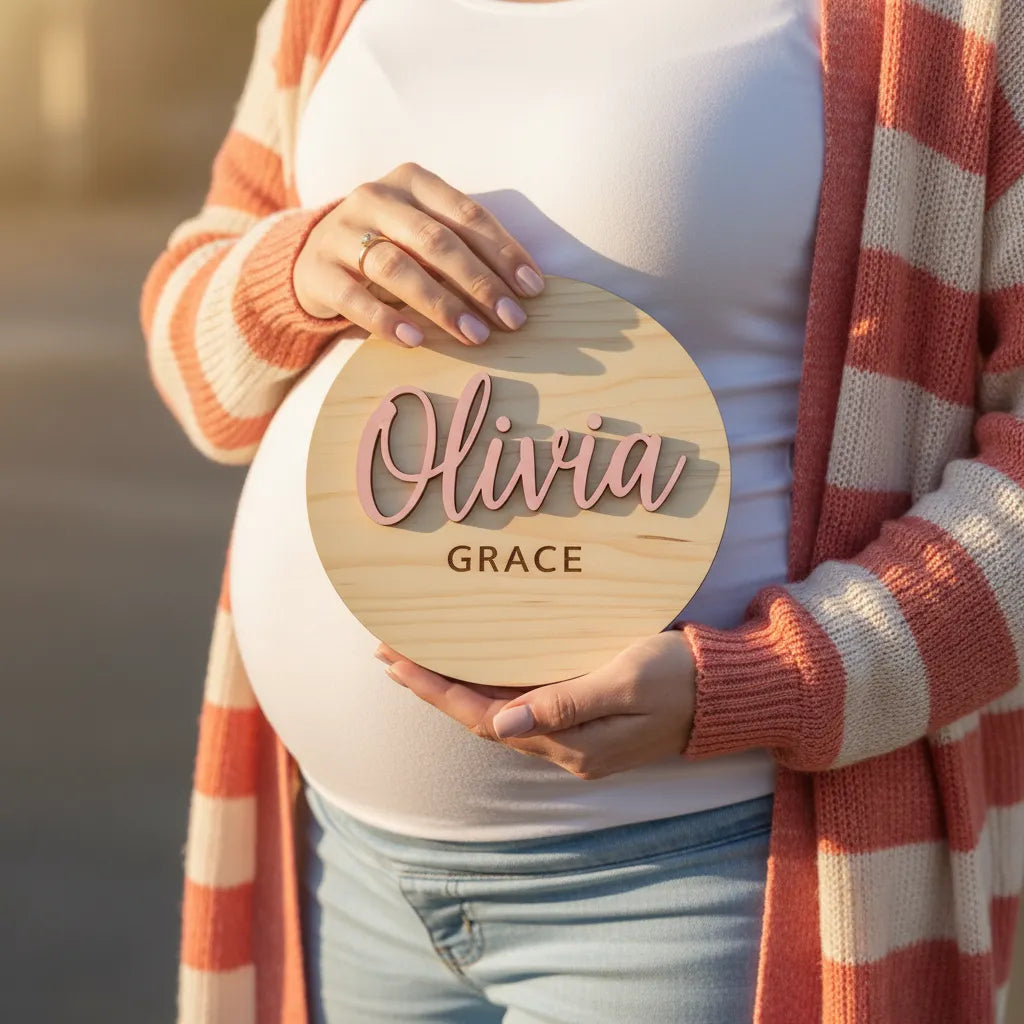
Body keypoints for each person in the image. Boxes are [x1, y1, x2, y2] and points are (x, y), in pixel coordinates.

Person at [139, 0, 1024, 1021]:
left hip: (705, 877)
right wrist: (292, 269)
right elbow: (194, 341)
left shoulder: (953, 23)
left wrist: (773, 680)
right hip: (342, 861)